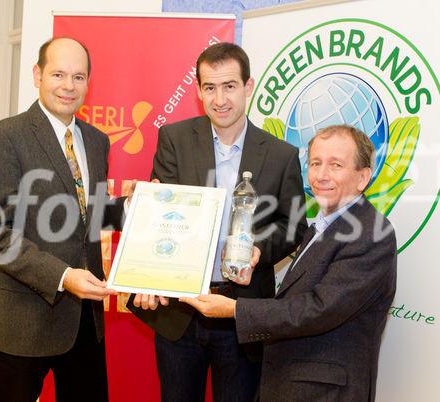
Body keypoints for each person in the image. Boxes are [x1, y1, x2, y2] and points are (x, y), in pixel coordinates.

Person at [127, 42, 307, 402]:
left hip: (242, 312)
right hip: (181, 311)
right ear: (197, 90)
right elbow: (163, 214)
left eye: (229, 86)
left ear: (248, 87)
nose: (220, 99)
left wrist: (258, 250)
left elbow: (294, 225)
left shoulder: (281, 155)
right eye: (210, 87)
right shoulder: (174, 139)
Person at [181, 124, 398, 402]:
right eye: (316, 163)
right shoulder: (322, 226)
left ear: (362, 177)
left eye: (336, 165)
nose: (321, 175)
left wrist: (235, 309)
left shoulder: (371, 233)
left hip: (325, 392)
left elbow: (319, 309)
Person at [0, 37, 126, 402]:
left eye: (78, 76)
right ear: (37, 75)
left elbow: (86, 214)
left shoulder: (97, 141)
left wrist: (132, 207)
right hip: (20, 322)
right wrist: (62, 277)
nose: (68, 86)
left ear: (89, 82)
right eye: (58, 74)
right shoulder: (3, 137)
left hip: (84, 324)